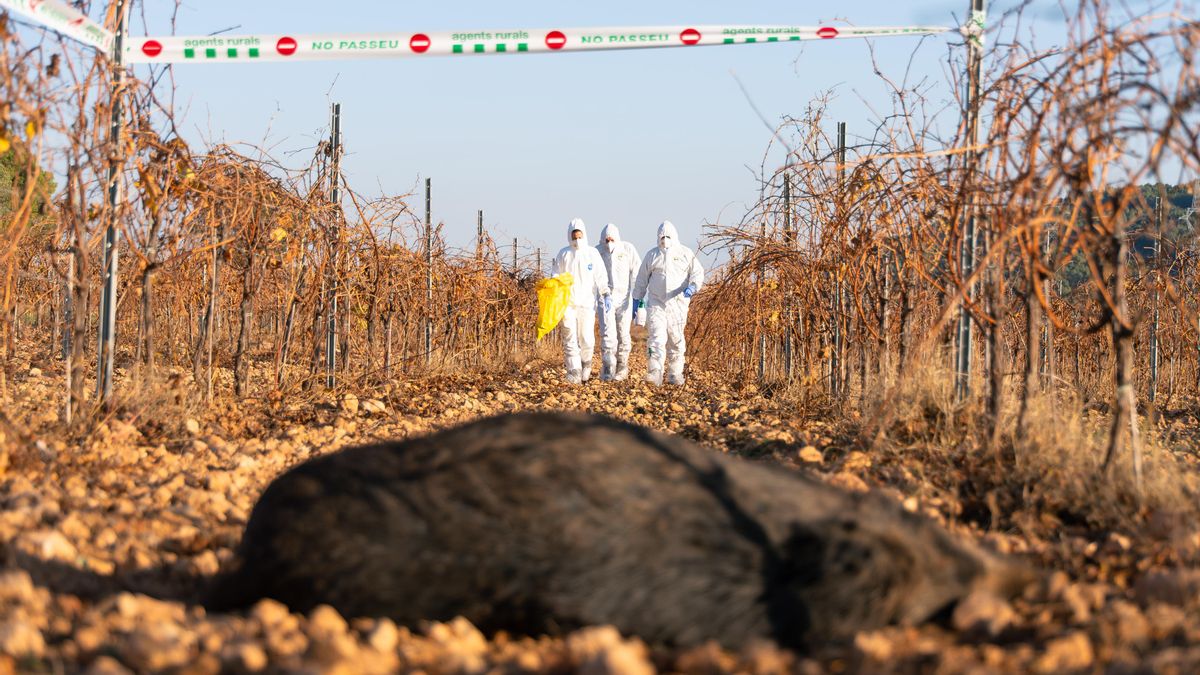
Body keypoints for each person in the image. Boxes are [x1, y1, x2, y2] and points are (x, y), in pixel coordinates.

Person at [632, 221, 704, 386]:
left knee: (676, 339)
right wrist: (637, 298)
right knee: (656, 337)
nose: (665, 240)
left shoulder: (685, 253)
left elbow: (698, 272)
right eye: (662, 237)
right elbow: (642, 278)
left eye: (668, 236)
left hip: (678, 303)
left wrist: (693, 286)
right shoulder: (652, 255)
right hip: (656, 303)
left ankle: (675, 373)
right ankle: (655, 372)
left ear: (674, 236)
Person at [553, 218, 610, 384]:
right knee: (569, 335)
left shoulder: (592, 253)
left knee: (586, 338)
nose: (577, 239)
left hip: (586, 303)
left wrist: (605, 292)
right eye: (574, 236)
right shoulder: (564, 254)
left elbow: (600, 275)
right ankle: (573, 370)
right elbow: (556, 275)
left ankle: (586, 363)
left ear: (584, 235)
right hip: (567, 303)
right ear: (569, 236)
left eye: (579, 236)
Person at [595, 224, 640, 381]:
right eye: (606, 240)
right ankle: (608, 368)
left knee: (623, 334)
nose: (609, 242)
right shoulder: (597, 252)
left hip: (624, 300)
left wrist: (637, 297)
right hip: (604, 298)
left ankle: (622, 367)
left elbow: (637, 272)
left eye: (611, 239)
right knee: (607, 334)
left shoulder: (627, 250)